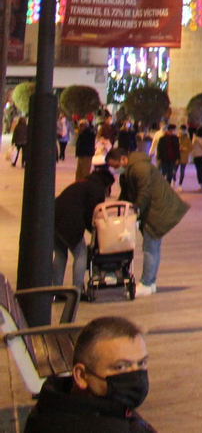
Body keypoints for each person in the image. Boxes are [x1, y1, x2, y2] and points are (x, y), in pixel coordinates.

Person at [23, 314, 156, 433]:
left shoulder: (61, 400)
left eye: (141, 363)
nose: (136, 375)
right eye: (120, 367)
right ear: (81, 376)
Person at [106, 142, 189, 297]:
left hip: (156, 210)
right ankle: (150, 282)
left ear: (123, 159)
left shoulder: (139, 168)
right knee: (151, 247)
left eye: (115, 165)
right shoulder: (131, 169)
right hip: (152, 210)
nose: (114, 170)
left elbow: (145, 192)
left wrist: (135, 210)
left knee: (150, 247)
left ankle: (147, 282)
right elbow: (127, 193)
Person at [52, 163, 115, 295]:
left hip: (54, 217)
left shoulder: (83, 183)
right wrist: (97, 232)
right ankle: (77, 289)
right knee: (81, 254)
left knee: (60, 254)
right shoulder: (97, 189)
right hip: (70, 222)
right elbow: (92, 215)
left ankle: (56, 289)